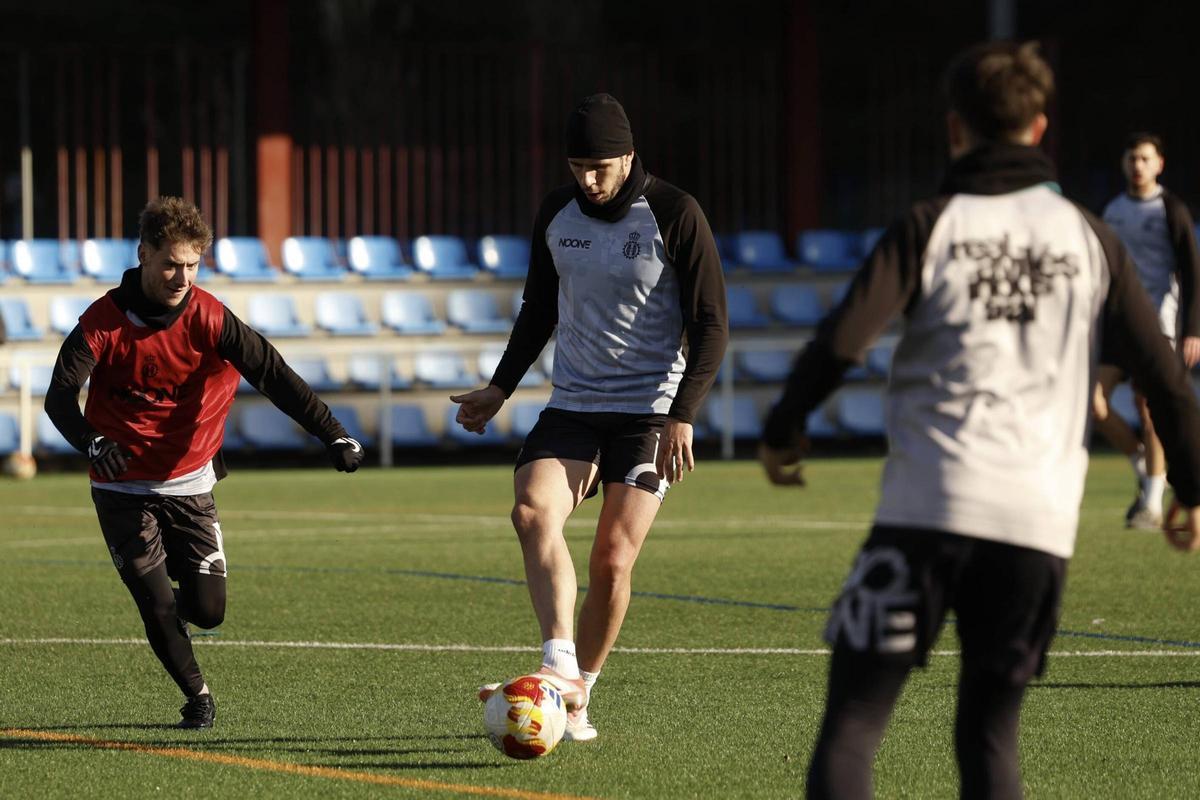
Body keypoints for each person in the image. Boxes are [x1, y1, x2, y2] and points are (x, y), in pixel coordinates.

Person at [758, 42, 1200, 799]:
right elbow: (1165, 377)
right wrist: (1190, 489)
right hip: (1036, 528)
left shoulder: (931, 224)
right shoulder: (1093, 240)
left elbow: (842, 339)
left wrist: (783, 429)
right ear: (1039, 129)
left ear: (955, 128)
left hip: (924, 514)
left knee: (855, 725)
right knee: (990, 736)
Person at [451, 93, 728, 742]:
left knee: (611, 559)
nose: (588, 179)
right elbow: (537, 309)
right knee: (529, 512)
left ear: (629, 155)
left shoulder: (675, 213)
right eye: (578, 166)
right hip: (573, 406)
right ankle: (559, 660)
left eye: (600, 167)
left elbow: (711, 323)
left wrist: (683, 415)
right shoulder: (556, 213)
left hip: (647, 416)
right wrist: (499, 387)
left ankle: (580, 695)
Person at [45, 197, 364, 729]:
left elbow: (274, 374)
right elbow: (59, 396)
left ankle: (167, 614)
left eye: (192, 265)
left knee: (209, 609)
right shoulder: (102, 321)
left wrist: (333, 433)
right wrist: (94, 442)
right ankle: (197, 696)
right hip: (120, 487)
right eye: (170, 263)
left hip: (190, 482)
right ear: (144, 254)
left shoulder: (210, 316)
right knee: (157, 605)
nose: (181, 276)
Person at [1094, 132, 1200, 528]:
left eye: (1144, 159)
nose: (1137, 165)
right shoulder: (1113, 210)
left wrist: (1192, 329)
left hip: (1157, 327)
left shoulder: (1171, 209)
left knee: (1150, 410)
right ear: (1124, 164)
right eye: (1132, 159)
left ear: (1159, 165)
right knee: (1095, 403)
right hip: (1115, 325)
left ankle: (1151, 504)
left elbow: (1191, 272)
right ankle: (1144, 463)